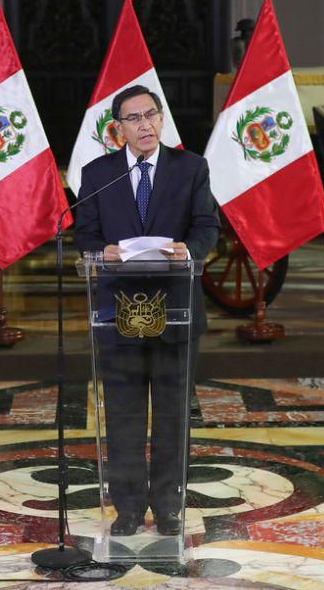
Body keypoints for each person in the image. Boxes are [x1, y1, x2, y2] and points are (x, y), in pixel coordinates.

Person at [75, 85, 220, 537]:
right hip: (117, 314)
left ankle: (170, 507)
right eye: (133, 119)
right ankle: (130, 508)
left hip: (176, 309)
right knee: (123, 416)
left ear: (161, 120)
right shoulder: (99, 174)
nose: (144, 125)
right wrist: (103, 252)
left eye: (151, 115)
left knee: (174, 415)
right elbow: (84, 233)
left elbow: (206, 226)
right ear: (118, 129)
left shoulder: (190, 168)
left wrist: (189, 251)